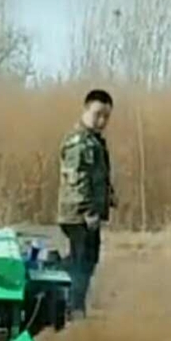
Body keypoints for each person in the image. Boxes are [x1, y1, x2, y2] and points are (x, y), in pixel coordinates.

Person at [57, 88, 116, 317]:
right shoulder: (78, 142)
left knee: (86, 261)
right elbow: (76, 181)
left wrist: (108, 195)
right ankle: (73, 309)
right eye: (97, 114)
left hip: (87, 214)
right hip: (78, 215)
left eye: (106, 117)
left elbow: (96, 175)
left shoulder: (93, 141)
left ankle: (73, 305)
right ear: (86, 110)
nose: (101, 120)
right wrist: (88, 211)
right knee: (81, 264)